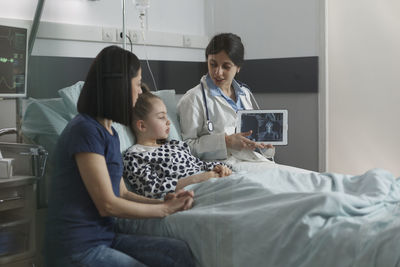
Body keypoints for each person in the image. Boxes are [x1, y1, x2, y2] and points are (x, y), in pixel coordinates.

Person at [45, 46, 195, 267]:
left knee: (176, 253)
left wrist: (162, 201)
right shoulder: (84, 130)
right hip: (76, 249)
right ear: (120, 87)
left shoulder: (111, 133)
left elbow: (122, 193)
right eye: (137, 84)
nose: (140, 93)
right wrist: (163, 210)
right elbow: (107, 204)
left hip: (105, 239)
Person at [177, 33, 274, 161]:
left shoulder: (244, 93)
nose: (218, 72)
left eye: (226, 67)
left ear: (238, 67)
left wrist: (264, 147)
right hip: (220, 167)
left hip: (252, 161)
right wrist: (226, 141)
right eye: (213, 64)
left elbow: (252, 139)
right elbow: (185, 148)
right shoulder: (193, 99)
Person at [123, 90, 232, 199]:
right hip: (193, 191)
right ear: (142, 126)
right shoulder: (135, 156)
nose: (168, 121)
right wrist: (201, 177)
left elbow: (199, 164)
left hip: (214, 180)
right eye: (161, 117)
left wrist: (220, 167)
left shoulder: (176, 145)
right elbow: (152, 189)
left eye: (167, 116)